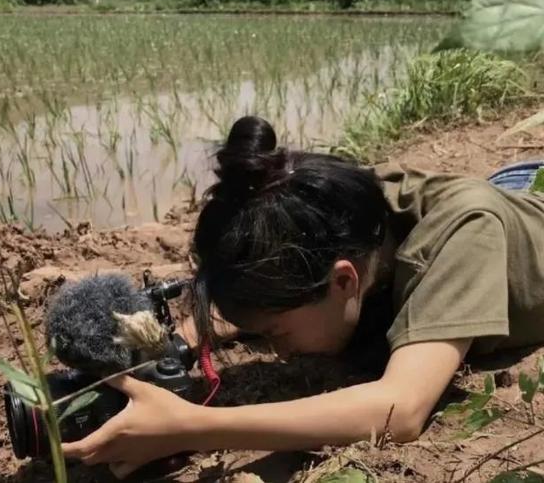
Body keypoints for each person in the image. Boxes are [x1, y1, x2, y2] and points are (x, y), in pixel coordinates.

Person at [62, 116, 544, 479]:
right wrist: (175, 350)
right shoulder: (328, 209)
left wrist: (190, 426)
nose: (276, 352)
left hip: (512, 209)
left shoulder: (464, 236)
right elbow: (265, 293)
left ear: (344, 282)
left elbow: (400, 410)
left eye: (276, 334)